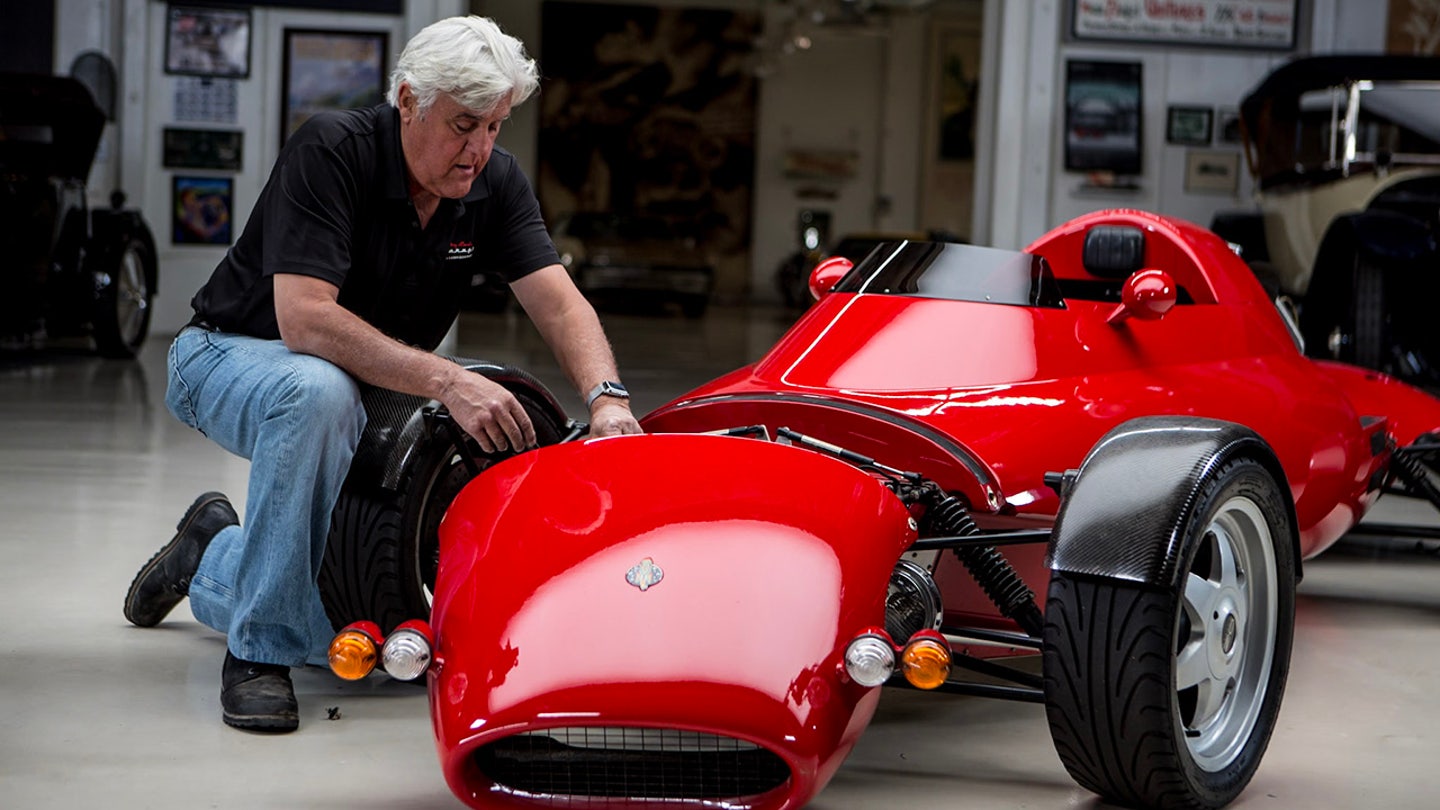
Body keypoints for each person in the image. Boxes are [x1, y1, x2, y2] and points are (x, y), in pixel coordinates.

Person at [123, 15, 642, 733]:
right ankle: (258, 654)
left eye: (496, 126)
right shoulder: (332, 149)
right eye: (465, 125)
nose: (480, 149)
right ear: (407, 102)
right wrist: (448, 379)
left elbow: (557, 302)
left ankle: (210, 552)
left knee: (336, 600)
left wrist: (608, 399)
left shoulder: (494, 180)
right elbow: (305, 321)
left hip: (355, 382)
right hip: (227, 353)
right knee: (319, 394)